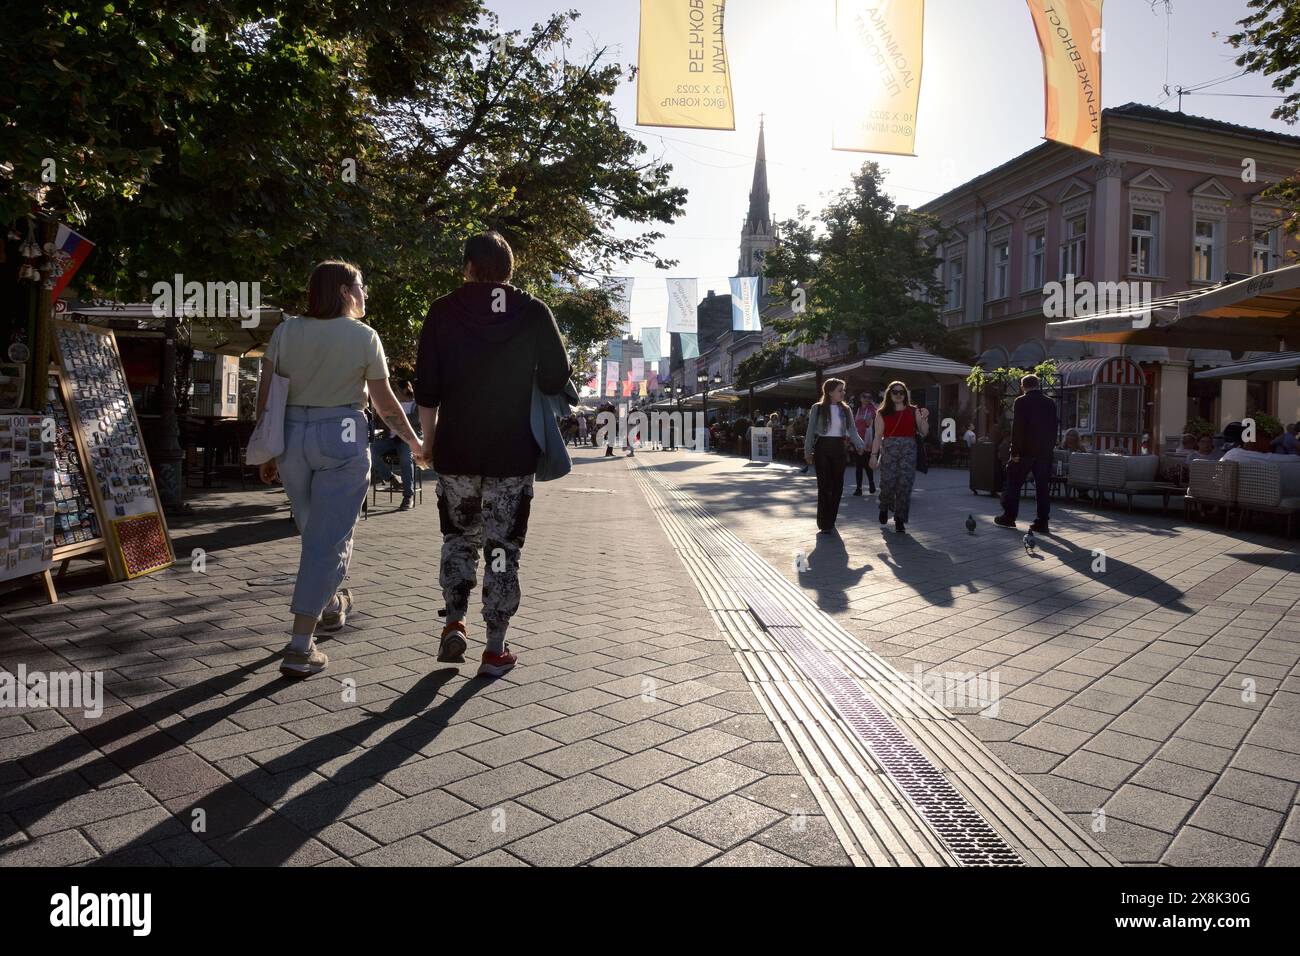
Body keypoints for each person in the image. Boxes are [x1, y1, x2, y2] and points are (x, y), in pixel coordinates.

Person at [257, 260, 424, 679]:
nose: (366, 294)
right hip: (342, 432)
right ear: (346, 292)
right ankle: (300, 645)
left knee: (314, 530)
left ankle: (330, 605)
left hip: (292, 435)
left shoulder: (286, 330)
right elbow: (385, 404)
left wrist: (264, 447)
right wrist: (415, 444)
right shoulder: (363, 337)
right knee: (329, 539)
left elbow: (267, 392)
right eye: (361, 286)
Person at [415, 232, 570, 678]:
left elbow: (427, 388)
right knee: (503, 547)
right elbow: (558, 377)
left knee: (458, 539)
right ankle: (495, 648)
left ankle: (453, 621)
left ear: (466, 266)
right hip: (512, 452)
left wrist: (429, 443)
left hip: (457, 450)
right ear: (510, 268)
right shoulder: (534, 312)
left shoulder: (442, 311)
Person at [994, 374, 1058, 533]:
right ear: (1038, 385)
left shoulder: (1021, 401)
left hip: (1024, 452)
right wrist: (1049, 449)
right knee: (1042, 488)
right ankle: (1042, 522)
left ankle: (1009, 517)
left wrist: (1014, 451)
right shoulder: (1050, 403)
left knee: (1014, 484)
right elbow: (1053, 428)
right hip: (1043, 453)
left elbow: (1018, 428)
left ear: (1023, 387)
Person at [803, 378, 865, 532]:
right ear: (830, 392)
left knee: (838, 485)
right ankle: (823, 523)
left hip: (839, 447)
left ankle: (831, 519)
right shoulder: (817, 408)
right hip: (822, 447)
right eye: (840, 390)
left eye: (843, 390)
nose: (843, 393)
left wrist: (859, 445)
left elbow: (852, 430)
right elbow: (810, 431)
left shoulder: (846, 409)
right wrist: (808, 451)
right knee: (824, 486)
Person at [869, 380, 928, 533]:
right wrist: (873, 456)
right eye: (895, 392)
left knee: (905, 485)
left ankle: (900, 519)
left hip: (909, 450)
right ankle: (884, 507)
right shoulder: (882, 413)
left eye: (901, 392)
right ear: (889, 394)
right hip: (889, 449)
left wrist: (924, 418)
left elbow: (924, 431)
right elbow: (877, 436)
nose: (898, 395)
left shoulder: (913, 410)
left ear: (905, 394)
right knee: (887, 483)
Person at [370, 379, 421, 511]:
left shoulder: (416, 405)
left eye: (396, 390)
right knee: (369, 450)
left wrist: (394, 418)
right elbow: (385, 420)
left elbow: (414, 422)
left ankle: (408, 495)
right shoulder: (394, 404)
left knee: (405, 458)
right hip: (391, 440)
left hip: (407, 440)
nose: (394, 392)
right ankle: (391, 478)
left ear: (405, 390)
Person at [852, 390, 877, 496]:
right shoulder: (857, 409)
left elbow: (868, 423)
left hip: (867, 440)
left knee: (867, 464)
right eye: (864, 396)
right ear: (860, 398)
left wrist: (870, 418)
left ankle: (871, 483)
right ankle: (859, 488)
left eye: (869, 397)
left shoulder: (872, 408)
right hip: (857, 440)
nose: (867, 399)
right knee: (858, 465)